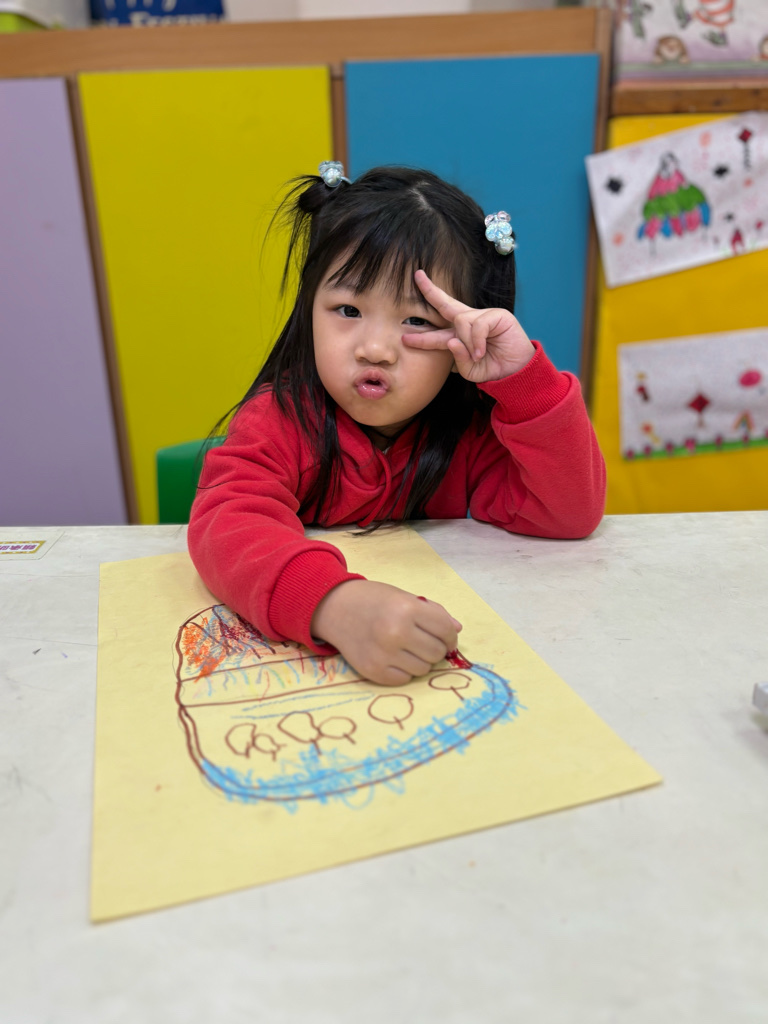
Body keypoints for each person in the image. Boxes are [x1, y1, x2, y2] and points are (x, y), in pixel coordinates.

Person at [188, 162, 606, 687]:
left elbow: (568, 514)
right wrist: (334, 604)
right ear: (308, 309)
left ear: (464, 335)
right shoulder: (279, 421)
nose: (375, 349)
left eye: (416, 321)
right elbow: (227, 525)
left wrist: (524, 382)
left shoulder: (470, 433)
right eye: (347, 309)